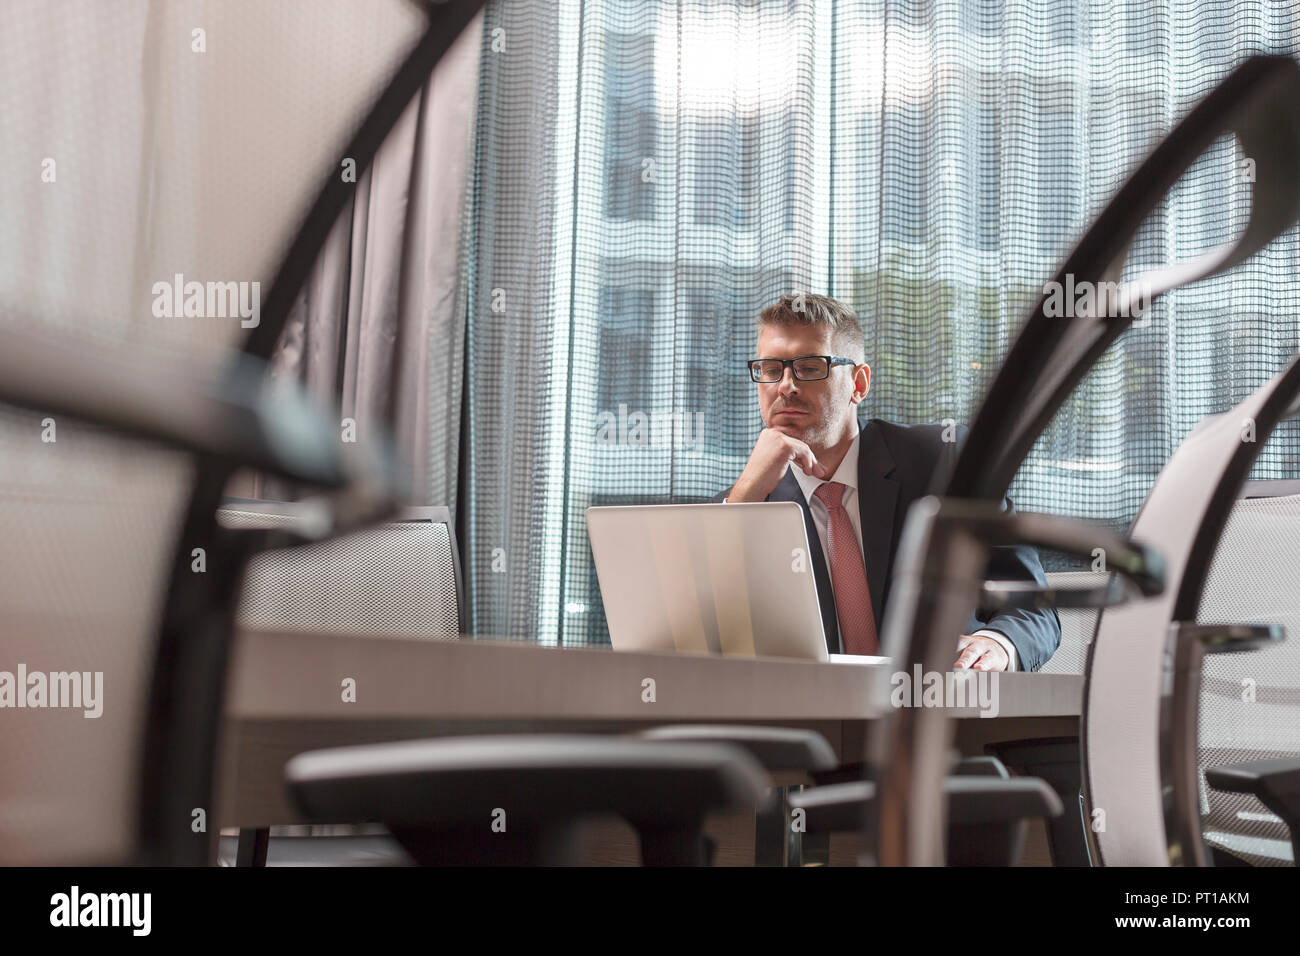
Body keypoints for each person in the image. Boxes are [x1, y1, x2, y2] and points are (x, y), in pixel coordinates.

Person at [716, 294, 1060, 671]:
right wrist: (746, 495)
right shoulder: (744, 505)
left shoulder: (944, 461)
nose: (785, 386)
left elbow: (1032, 604)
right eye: (770, 369)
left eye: (809, 367)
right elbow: (702, 636)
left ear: (858, 384)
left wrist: (997, 644)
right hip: (812, 720)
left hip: (940, 712)